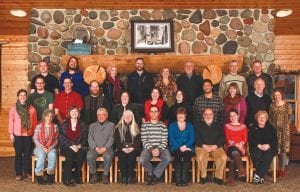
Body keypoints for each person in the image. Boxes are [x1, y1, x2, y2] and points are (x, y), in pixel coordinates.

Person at [8, 89, 38, 181]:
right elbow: (11, 122)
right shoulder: (13, 108)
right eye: (21, 95)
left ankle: (28, 172)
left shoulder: (31, 108)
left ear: (26, 96)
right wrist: (11, 133)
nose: (22, 97)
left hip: (29, 134)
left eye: (24, 95)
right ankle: (18, 173)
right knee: (18, 154)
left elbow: (35, 122)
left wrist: (34, 134)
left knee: (27, 154)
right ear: (18, 96)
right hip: (17, 135)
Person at [140, 105, 172, 185]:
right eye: (152, 111)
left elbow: (165, 140)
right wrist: (152, 149)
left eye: (155, 112)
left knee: (168, 158)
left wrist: (158, 149)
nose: (154, 113)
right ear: (149, 113)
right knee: (142, 159)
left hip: (161, 148)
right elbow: (144, 140)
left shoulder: (163, 125)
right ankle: (151, 173)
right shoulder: (145, 125)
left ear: (158, 113)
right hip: (148, 148)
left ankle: (154, 175)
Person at [194, 108, 227, 185]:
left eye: (210, 114)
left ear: (213, 115)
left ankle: (218, 177)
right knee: (200, 157)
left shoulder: (218, 125)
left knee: (223, 157)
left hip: (216, 147)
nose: (208, 116)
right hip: (202, 147)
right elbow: (196, 137)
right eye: (206, 114)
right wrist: (204, 145)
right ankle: (203, 176)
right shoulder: (198, 125)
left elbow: (222, 137)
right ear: (203, 115)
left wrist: (215, 146)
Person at [59, 107, 87, 187]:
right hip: (66, 146)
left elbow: (85, 137)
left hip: (79, 146)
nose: (74, 113)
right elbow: (61, 137)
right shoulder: (64, 123)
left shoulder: (82, 124)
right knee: (70, 154)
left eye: (76, 112)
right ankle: (67, 178)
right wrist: (72, 145)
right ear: (69, 113)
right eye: (72, 111)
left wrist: (79, 145)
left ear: (78, 113)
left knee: (81, 154)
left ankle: (77, 176)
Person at [249, 110, 277, 184]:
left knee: (267, 156)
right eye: (260, 117)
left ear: (266, 119)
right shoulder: (252, 127)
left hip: (269, 147)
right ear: (256, 118)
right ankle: (261, 176)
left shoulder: (271, 128)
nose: (261, 119)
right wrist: (259, 145)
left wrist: (268, 145)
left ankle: (257, 175)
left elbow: (275, 140)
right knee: (256, 155)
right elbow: (250, 139)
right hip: (256, 146)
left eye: (263, 117)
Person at [168, 107, 195, 186]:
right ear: (176, 115)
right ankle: (178, 179)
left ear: (185, 116)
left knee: (187, 155)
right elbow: (171, 139)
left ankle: (184, 178)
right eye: (179, 114)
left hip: (188, 147)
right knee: (178, 155)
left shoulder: (190, 126)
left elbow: (192, 139)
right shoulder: (172, 125)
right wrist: (179, 147)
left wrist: (186, 146)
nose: (181, 116)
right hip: (175, 147)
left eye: (182, 114)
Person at [269, 88, 292, 177]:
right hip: (274, 131)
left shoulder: (287, 105)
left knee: (283, 150)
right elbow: (270, 117)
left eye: (278, 95)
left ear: (281, 95)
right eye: (275, 95)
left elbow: (290, 117)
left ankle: (282, 169)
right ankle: (276, 169)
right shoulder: (272, 105)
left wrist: (285, 127)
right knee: (275, 150)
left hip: (284, 131)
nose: (277, 97)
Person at [87, 108, 114, 184]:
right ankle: (94, 175)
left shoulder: (111, 125)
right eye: (99, 115)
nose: (101, 116)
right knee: (89, 156)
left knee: (108, 156)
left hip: (107, 148)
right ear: (97, 116)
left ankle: (105, 175)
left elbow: (111, 138)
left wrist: (105, 148)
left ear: (107, 116)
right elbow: (90, 138)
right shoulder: (92, 125)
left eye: (103, 115)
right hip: (94, 148)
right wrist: (95, 147)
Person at [114, 110, 141, 184]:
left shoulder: (136, 127)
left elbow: (138, 141)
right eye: (126, 116)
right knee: (122, 157)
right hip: (121, 148)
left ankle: (129, 177)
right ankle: (123, 177)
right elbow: (117, 141)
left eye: (129, 116)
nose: (128, 117)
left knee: (130, 157)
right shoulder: (118, 128)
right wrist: (122, 148)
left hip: (133, 148)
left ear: (132, 117)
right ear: (123, 117)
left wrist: (132, 148)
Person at [33, 109, 58, 185]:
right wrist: (43, 147)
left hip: (51, 147)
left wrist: (50, 147)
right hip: (39, 147)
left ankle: (50, 175)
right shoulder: (39, 126)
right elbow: (35, 139)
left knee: (53, 155)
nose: (49, 118)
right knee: (41, 154)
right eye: (47, 116)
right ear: (44, 117)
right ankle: (39, 175)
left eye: (51, 116)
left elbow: (56, 140)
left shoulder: (55, 126)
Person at [224, 109, 248, 186]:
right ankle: (241, 169)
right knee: (233, 150)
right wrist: (235, 144)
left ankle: (231, 180)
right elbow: (227, 138)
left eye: (234, 115)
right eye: (231, 116)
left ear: (238, 116)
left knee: (232, 158)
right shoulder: (227, 126)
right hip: (230, 146)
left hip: (240, 147)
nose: (232, 117)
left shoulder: (243, 126)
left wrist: (239, 144)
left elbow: (245, 139)